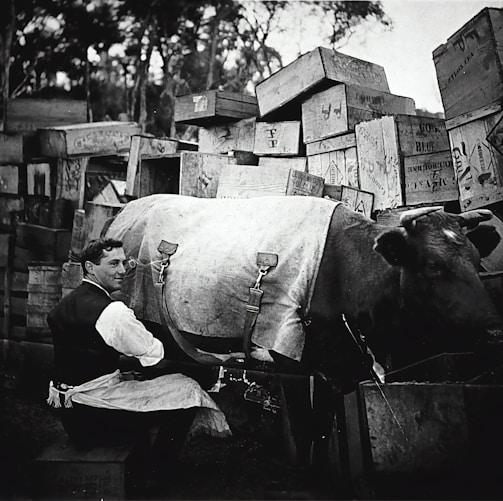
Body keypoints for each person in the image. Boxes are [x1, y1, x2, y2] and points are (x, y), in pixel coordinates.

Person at [46, 238, 230, 476]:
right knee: (187, 391)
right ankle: (159, 472)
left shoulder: (65, 305)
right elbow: (155, 357)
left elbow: (89, 355)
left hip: (70, 414)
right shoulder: (112, 312)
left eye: (124, 263)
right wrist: (198, 360)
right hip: (93, 418)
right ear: (90, 268)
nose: (122, 271)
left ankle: (145, 462)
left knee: (142, 383)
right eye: (113, 264)